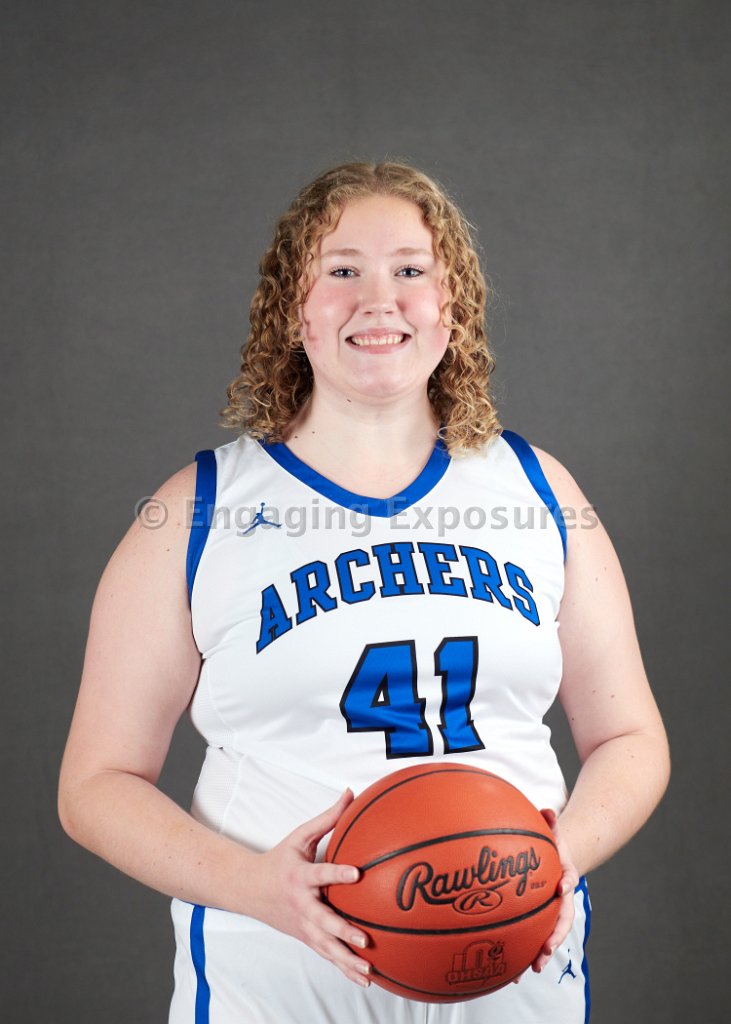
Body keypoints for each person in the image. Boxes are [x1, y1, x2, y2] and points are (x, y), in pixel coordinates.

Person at [58, 161, 670, 1023]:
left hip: (511, 977)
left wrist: (553, 858)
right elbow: (94, 784)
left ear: (451, 306)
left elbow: (630, 737)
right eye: (341, 270)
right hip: (275, 982)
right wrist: (254, 884)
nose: (378, 300)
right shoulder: (195, 514)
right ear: (293, 308)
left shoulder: (538, 492)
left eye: (410, 270)